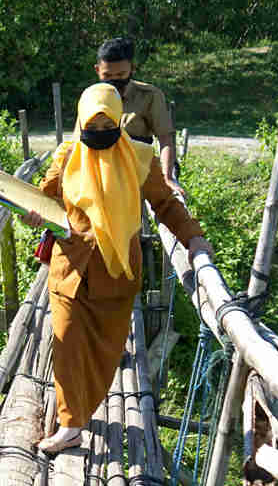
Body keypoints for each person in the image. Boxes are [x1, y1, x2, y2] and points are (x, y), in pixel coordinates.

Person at [21, 83, 212, 453]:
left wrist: (194, 237)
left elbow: (166, 205)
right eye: (92, 130)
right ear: (80, 124)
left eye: (106, 129)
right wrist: (33, 213)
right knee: (66, 345)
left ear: (118, 123)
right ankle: (71, 423)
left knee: (105, 353)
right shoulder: (67, 155)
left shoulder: (140, 158)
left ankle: (77, 411)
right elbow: (45, 199)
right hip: (70, 269)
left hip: (117, 274)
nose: (99, 138)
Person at [94, 36, 185, 199]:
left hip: (140, 167)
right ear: (97, 71)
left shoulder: (149, 95)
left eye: (121, 74)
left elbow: (165, 139)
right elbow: (77, 142)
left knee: (171, 207)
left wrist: (167, 177)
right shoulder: (91, 98)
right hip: (102, 169)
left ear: (132, 69)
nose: (115, 80)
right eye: (108, 75)